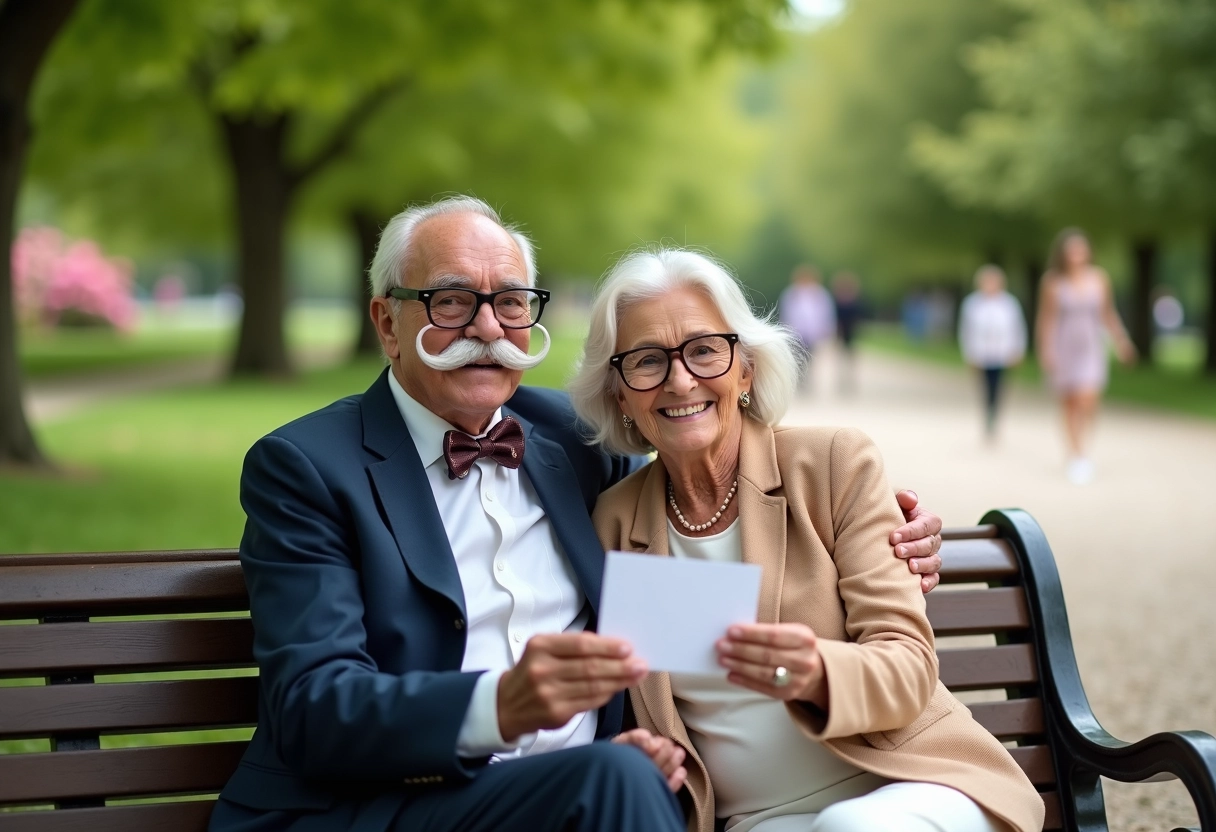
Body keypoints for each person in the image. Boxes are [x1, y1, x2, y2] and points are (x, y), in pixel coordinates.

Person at [209, 197, 944, 832]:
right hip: (383, 808)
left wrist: (885, 524)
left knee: (635, 780)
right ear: (387, 322)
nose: (488, 328)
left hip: (578, 793)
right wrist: (500, 704)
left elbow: (696, 480)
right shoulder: (307, 467)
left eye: (511, 303)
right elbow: (312, 705)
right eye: (452, 300)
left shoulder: (572, 442)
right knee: (622, 785)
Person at [572, 249, 1044, 832]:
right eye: (646, 361)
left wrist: (815, 671)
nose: (679, 379)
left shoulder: (829, 465)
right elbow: (617, 702)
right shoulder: (614, 524)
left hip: (911, 787)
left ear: (744, 369)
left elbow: (907, 667)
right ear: (620, 393)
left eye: (703, 350)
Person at [1036, 229, 1136, 484]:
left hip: (1091, 346)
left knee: (1088, 399)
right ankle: (1076, 454)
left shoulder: (1099, 279)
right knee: (1069, 403)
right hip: (1064, 346)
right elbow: (1046, 319)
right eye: (1071, 250)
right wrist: (1046, 349)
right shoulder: (1053, 281)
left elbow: (1108, 314)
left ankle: (1082, 450)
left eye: (1080, 249)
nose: (1076, 255)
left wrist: (1121, 341)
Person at [958, 265, 1027, 439]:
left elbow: (1017, 328)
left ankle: (994, 415)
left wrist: (1018, 349)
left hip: (1002, 352)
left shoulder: (1009, 303)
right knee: (984, 386)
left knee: (999, 386)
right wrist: (969, 353)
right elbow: (966, 330)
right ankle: (987, 413)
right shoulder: (972, 303)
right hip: (981, 353)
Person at [778, 265, 835, 390]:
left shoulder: (820, 294)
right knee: (799, 357)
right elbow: (786, 312)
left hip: (813, 332)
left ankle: (807, 378)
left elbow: (826, 313)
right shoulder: (791, 294)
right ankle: (800, 379)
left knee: (810, 356)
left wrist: (826, 328)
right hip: (796, 331)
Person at [829, 271, 864, 394]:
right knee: (840, 358)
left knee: (849, 358)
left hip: (850, 333)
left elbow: (858, 319)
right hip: (840, 332)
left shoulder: (855, 302)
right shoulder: (837, 302)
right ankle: (842, 380)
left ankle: (849, 379)